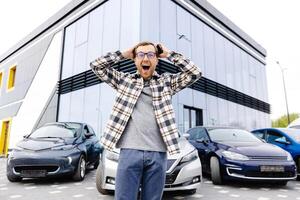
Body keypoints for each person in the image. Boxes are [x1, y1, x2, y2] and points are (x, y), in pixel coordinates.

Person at [90, 41, 201, 200]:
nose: (145, 58)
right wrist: (123, 54)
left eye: (151, 54)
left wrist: (170, 54)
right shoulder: (124, 81)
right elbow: (96, 66)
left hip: (158, 153)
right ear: (135, 60)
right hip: (129, 151)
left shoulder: (166, 83)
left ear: (157, 59)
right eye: (140, 55)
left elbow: (194, 73)